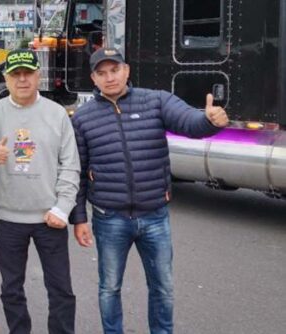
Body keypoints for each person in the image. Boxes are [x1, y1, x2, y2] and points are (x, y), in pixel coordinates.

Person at [70, 47, 229, 334]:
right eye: (102, 73)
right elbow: (78, 173)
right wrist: (79, 218)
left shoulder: (155, 101)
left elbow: (187, 121)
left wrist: (208, 121)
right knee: (109, 289)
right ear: (93, 78)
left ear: (126, 70)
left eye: (115, 70)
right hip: (109, 219)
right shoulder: (83, 119)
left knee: (163, 288)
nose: (110, 78)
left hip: (155, 216)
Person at [0, 49, 80, 334]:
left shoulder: (56, 113)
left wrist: (63, 207)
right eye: (15, 75)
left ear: (38, 76)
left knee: (61, 289)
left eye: (28, 74)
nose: (22, 80)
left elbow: (71, 165)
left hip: (50, 217)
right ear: (7, 79)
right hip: (9, 219)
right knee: (11, 288)